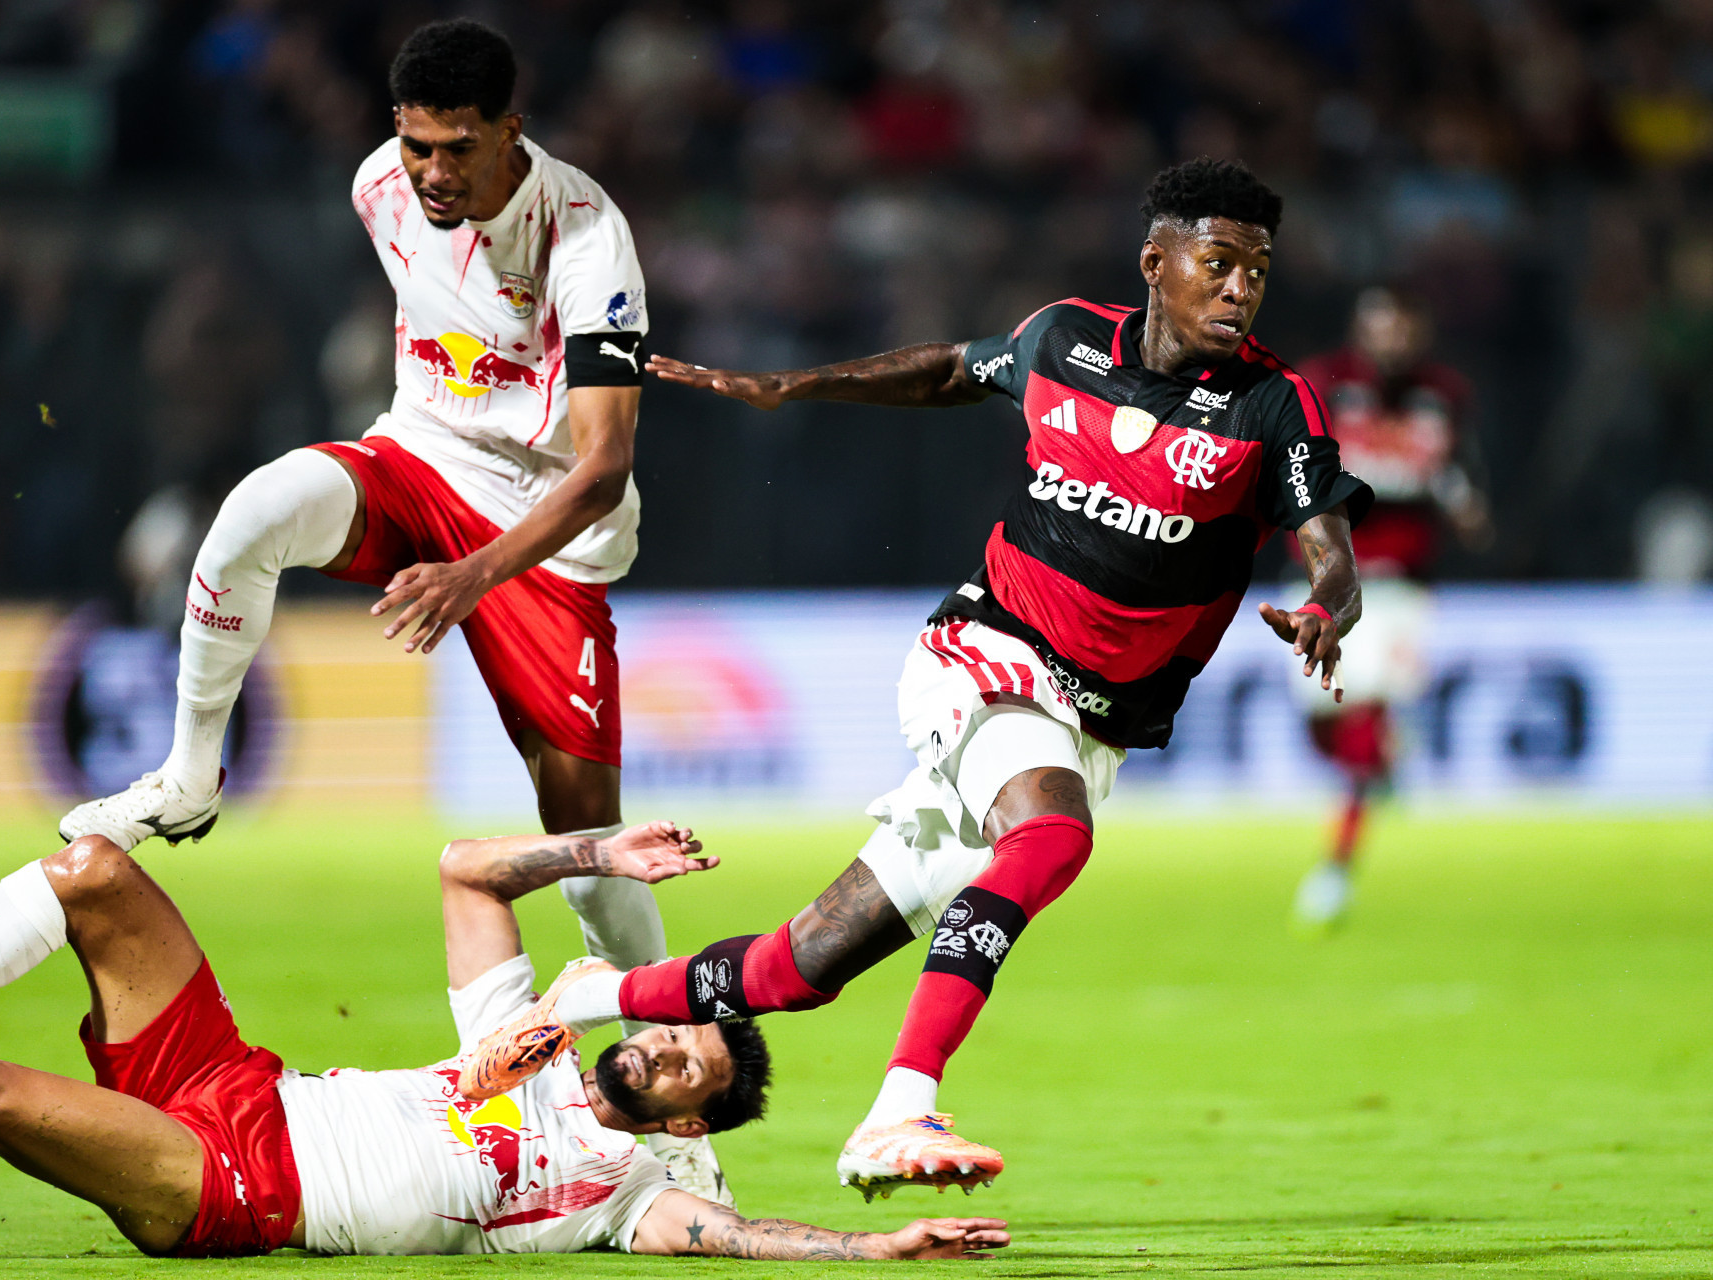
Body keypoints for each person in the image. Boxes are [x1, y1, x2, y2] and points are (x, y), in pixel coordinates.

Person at [462, 159, 1374, 1198]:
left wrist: (1325, 605)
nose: (1239, 290)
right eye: (1219, 265)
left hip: (1089, 721)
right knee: (1052, 835)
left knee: (797, 969)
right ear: (1155, 263)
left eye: (1257, 272)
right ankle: (899, 1108)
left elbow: (1330, 547)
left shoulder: (1272, 404)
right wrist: (792, 385)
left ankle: (590, 992)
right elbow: (950, 368)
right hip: (985, 651)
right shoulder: (1063, 339)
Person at [58, 19, 733, 1202]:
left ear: (511, 132)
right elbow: (438, 336)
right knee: (253, 513)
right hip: (417, 460)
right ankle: (190, 774)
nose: (432, 173)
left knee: (588, 860)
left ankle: (680, 1142)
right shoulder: (379, 188)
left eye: (458, 149)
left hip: (545, 539)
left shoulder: (587, 236)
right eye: (416, 144)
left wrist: (474, 574)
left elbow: (605, 466)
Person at [0, 824, 1009, 1261]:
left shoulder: (628, 1188)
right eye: (665, 1033)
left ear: (687, 1117)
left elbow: (741, 1236)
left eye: (682, 1064)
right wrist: (595, 850)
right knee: (95, 872)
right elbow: (466, 868)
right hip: (233, 1081)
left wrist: (880, 1245)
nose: (652, 1050)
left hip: (239, 1183)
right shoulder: (525, 1034)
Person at [1286, 286, 1490, 930]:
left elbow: (1459, 469)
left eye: (1403, 326)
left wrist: (1466, 506)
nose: (1392, 338)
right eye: (1382, 325)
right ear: (1361, 328)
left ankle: (1335, 868)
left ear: (1419, 329)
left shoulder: (1443, 394)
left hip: (1399, 587)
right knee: (1321, 723)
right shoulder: (1323, 384)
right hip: (1324, 582)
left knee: (1363, 716)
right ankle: (1385, 762)